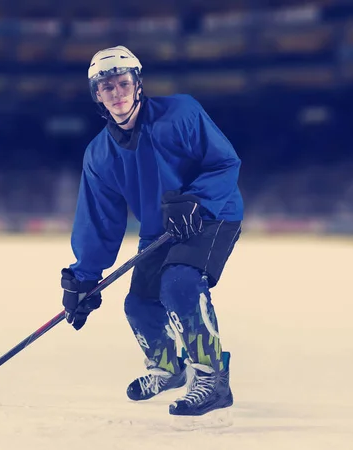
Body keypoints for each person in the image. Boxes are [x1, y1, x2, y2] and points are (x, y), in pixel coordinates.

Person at [60, 46, 243, 417]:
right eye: (106, 87)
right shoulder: (99, 155)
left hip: (212, 213)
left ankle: (212, 377)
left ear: (138, 85)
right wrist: (83, 278)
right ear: (97, 95)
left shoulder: (181, 114)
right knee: (139, 304)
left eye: (123, 83)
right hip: (161, 228)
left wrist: (197, 200)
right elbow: (99, 220)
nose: (117, 93)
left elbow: (225, 162)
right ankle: (168, 367)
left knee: (179, 283)